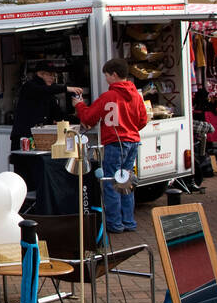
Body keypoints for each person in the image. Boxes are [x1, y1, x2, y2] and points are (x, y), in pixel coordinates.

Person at [71, 58, 148, 234]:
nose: (105, 79)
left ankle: (115, 223)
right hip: (132, 141)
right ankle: (128, 221)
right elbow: (143, 120)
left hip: (115, 142)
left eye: (106, 75)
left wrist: (79, 105)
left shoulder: (108, 96)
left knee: (111, 182)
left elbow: (89, 117)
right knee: (126, 182)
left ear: (113, 74)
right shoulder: (135, 95)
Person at [10, 61, 83, 144]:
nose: (53, 78)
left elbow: (58, 116)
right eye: (50, 75)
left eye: (54, 75)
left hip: (40, 138)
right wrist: (66, 89)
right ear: (40, 74)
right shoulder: (29, 86)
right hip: (23, 137)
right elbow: (42, 90)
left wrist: (80, 118)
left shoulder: (49, 94)